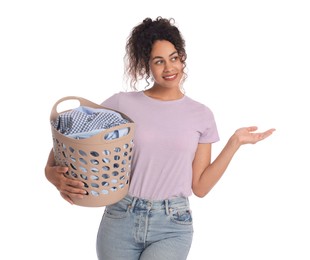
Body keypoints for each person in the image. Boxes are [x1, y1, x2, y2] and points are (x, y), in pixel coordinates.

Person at [45, 17, 275, 260]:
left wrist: (234, 143)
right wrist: (50, 173)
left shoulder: (202, 115)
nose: (169, 68)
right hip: (121, 218)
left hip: (172, 224)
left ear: (182, 58)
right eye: (159, 61)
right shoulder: (123, 104)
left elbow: (200, 187)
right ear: (147, 65)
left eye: (174, 58)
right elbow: (71, 137)